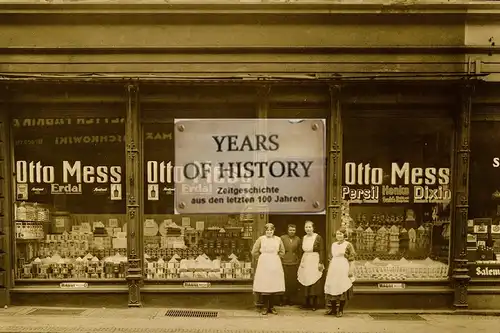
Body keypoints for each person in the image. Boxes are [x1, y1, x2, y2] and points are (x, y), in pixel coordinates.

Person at [252, 223, 286, 315]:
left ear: (273, 230)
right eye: (267, 231)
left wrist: (276, 258)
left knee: (273, 285)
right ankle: (265, 307)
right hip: (264, 263)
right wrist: (260, 258)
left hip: (275, 263)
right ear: (265, 231)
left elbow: (282, 251)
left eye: (271, 230)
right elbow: (254, 251)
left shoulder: (278, 239)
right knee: (265, 285)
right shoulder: (261, 239)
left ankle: (272, 306)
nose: (269, 232)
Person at [324, 230, 356, 317]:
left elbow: (352, 259)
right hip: (334, 267)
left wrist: (350, 270)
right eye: (337, 234)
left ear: (344, 235)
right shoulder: (333, 244)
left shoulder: (348, 245)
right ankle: (333, 309)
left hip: (343, 266)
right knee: (333, 287)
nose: (339, 235)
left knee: (342, 287)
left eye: (341, 234)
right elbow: (330, 258)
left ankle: (340, 310)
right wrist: (329, 269)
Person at [297, 221, 325, 311]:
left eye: (309, 227)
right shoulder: (303, 238)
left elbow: (321, 250)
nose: (308, 229)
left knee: (314, 279)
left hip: (315, 259)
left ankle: (315, 304)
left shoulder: (318, 237)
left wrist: (320, 262)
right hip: (305, 259)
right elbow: (300, 251)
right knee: (305, 278)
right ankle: (306, 303)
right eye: (306, 227)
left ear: (313, 228)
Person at [280, 224, 302, 305]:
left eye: (293, 230)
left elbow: (300, 251)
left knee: (292, 282)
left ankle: (291, 299)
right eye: (290, 230)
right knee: (284, 281)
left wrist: (298, 260)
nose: (292, 232)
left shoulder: (298, 239)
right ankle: (283, 299)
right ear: (287, 230)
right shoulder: (282, 238)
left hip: (294, 262)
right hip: (284, 261)